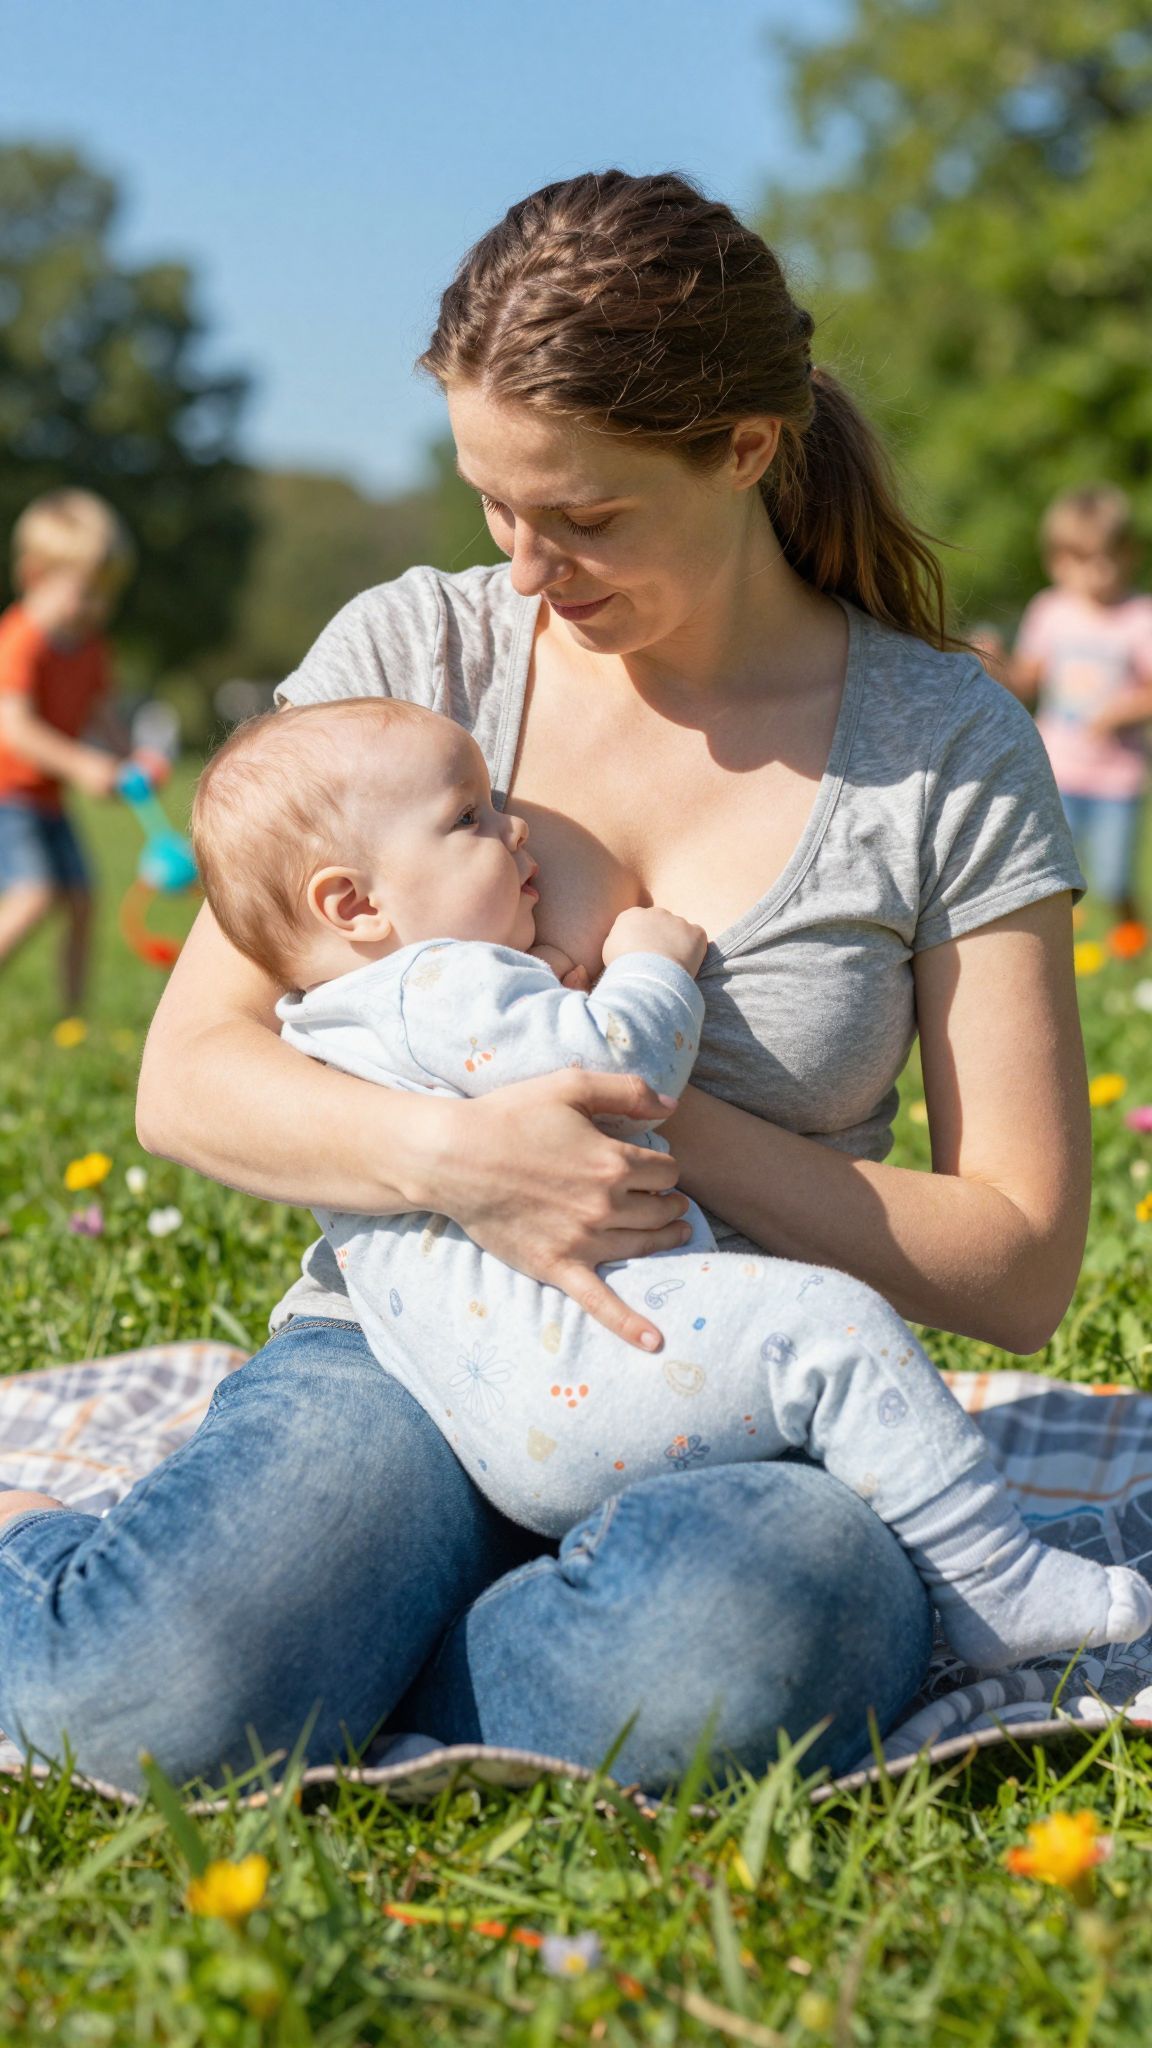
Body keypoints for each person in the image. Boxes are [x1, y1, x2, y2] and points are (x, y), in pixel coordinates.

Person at [0, 172, 1096, 1796]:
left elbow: (1016, 1261)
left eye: (583, 517)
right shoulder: (416, 662)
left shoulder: (940, 747)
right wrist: (467, 1155)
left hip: (742, 1386)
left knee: (738, 1644)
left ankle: (359, 1655)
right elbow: (189, 1076)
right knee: (147, 1695)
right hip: (413, 1343)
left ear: (744, 447)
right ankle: (309, 1630)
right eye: (492, 505)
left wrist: (648, 1123)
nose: (524, 570)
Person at [188, 694, 1150, 1670]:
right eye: (469, 817)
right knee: (830, 1325)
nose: (513, 827)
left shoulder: (333, 1018)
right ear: (355, 904)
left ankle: (392, 1671)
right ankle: (995, 1579)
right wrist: (649, 969)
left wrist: (533, 984)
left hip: (487, 1399)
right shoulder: (438, 981)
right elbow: (621, 1065)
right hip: (587, 1365)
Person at [0, 489, 134, 1013]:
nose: (96, 609)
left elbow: (101, 712)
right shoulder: (20, 639)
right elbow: (15, 727)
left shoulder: (92, 648)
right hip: (7, 795)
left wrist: (128, 758)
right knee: (34, 894)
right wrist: (81, 763)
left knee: (82, 898)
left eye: (106, 596)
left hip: (48, 798)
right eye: (85, 593)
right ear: (36, 575)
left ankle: (72, 1018)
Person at [1010, 486, 1152, 939]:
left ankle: (1131, 942)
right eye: (1081, 560)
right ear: (1057, 561)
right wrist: (992, 664)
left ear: (1129, 555)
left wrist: (1122, 711)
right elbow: (1024, 680)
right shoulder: (1049, 611)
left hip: (1117, 778)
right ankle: (1059, 949)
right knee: (1051, 877)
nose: (1096, 572)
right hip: (1057, 770)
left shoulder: (1139, 617)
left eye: (1107, 558)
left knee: (1113, 878)